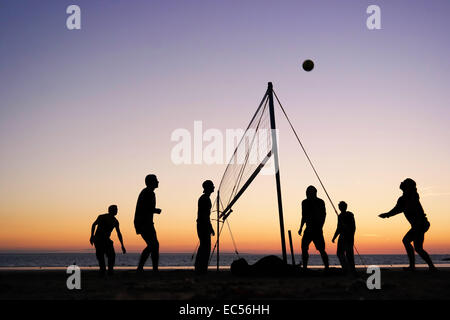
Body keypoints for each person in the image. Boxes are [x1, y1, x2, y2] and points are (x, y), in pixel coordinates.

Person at [379, 178, 437, 272]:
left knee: (410, 243)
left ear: (408, 187)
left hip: (420, 224)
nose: (401, 183)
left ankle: (419, 267)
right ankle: (426, 267)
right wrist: (387, 215)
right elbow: (397, 209)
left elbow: (401, 208)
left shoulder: (413, 195)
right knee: (416, 247)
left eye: (404, 183)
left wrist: (387, 215)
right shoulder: (402, 199)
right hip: (417, 225)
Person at [134, 174, 161, 272]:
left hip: (145, 223)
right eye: (156, 180)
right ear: (151, 182)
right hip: (144, 223)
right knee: (153, 245)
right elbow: (145, 208)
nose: (158, 182)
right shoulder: (148, 193)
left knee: (153, 245)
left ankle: (148, 268)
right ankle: (146, 268)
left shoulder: (147, 192)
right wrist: (155, 210)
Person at [298, 185, 329, 270]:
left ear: (314, 193)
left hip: (317, 229)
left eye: (309, 192)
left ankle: (326, 267)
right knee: (304, 248)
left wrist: (320, 226)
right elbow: (303, 215)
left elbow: (324, 215)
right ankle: (304, 267)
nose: (307, 194)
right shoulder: (304, 202)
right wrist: (301, 227)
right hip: (308, 229)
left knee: (321, 249)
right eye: (307, 192)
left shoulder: (320, 202)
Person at [90, 205, 126, 276]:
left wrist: (122, 245)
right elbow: (94, 225)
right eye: (115, 209)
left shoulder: (115, 221)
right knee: (100, 256)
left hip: (106, 240)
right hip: (99, 239)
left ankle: (110, 271)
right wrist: (92, 236)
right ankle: (103, 271)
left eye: (117, 209)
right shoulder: (101, 217)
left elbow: (119, 233)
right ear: (110, 210)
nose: (116, 211)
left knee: (111, 256)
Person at [194, 180, 215, 274]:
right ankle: (201, 268)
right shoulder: (205, 199)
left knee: (203, 246)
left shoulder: (205, 198)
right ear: (208, 188)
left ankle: (199, 267)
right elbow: (205, 215)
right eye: (212, 186)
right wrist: (210, 227)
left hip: (202, 224)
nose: (214, 187)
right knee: (205, 247)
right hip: (203, 225)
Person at [332, 201, 356, 274]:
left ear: (345, 207)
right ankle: (345, 268)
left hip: (348, 237)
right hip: (342, 237)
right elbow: (338, 228)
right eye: (340, 206)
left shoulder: (350, 214)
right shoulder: (339, 216)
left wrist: (351, 235)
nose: (341, 208)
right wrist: (334, 237)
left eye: (342, 206)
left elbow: (353, 227)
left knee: (349, 254)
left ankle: (351, 269)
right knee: (340, 253)